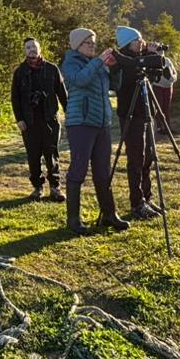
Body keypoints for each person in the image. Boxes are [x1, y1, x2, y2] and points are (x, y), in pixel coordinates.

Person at [61, 28, 129, 235]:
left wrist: (115, 68)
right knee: (78, 169)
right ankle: (73, 219)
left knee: (103, 171)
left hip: (101, 123)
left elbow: (115, 86)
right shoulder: (70, 63)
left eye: (93, 43)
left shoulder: (97, 64)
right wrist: (99, 61)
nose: (92, 46)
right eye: (88, 43)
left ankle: (109, 214)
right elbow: (80, 80)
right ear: (77, 45)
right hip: (80, 123)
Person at [111, 26, 168, 220]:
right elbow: (132, 70)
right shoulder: (122, 61)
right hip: (131, 115)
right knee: (136, 159)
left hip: (146, 114)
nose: (142, 42)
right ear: (128, 43)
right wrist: (150, 56)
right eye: (137, 40)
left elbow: (157, 74)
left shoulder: (139, 59)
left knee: (148, 157)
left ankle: (147, 197)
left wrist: (153, 57)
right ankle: (137, 202)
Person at [11, 37, 68, 202]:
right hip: (29, 122)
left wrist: (69, 113)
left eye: (34, 46)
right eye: (28, 47)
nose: (31, 49)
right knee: (33, 156)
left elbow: (62, 93)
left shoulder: (52, 69)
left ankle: (55, 188)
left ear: (40, 49)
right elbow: (15, 98)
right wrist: (19, 119)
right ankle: (37, 188)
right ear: (24, 51)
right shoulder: (20, 72)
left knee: (52, 155)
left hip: (50, 119)